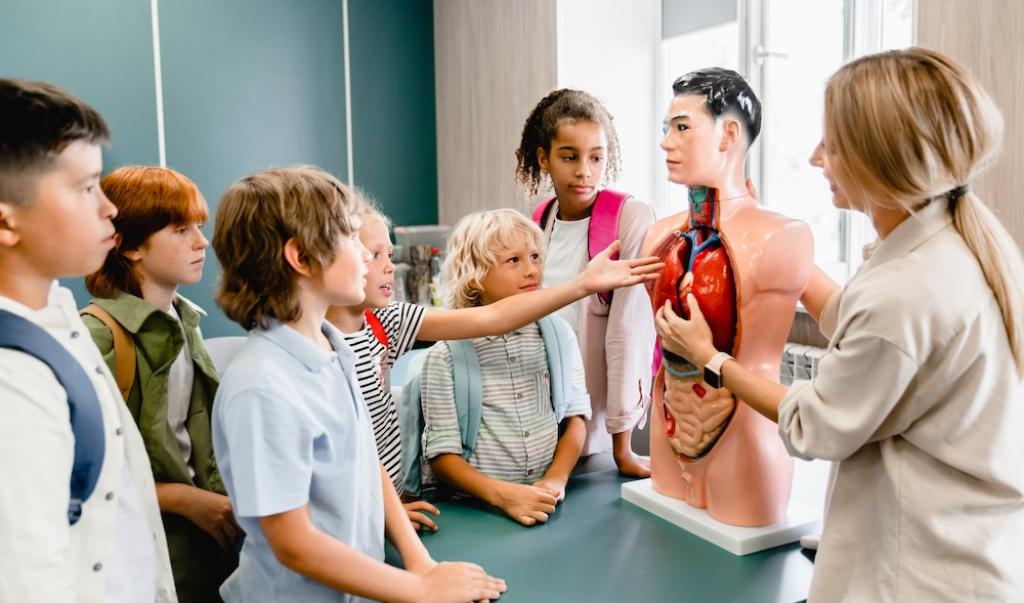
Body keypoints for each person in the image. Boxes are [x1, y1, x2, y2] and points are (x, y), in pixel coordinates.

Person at [655, 48, 1024, 600]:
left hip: (919, 572)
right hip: (944, 537)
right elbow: (855, 319)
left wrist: (710, 358)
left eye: (832, 143)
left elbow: (816, 425)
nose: (814, 158)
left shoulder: (906, 289)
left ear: (880, 155)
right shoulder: (941, 252)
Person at [210, 165, 506, 602]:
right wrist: (419, 590)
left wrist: (420, 562)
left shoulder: (336, 349)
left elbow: (368, 461)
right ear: (301, 258)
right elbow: (293, 543)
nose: (367, 257)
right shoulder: (261, 386)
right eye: (351, 238)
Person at [325, 198, 663, 531]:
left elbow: (493, 318)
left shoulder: (389, 321)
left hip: (385, 506)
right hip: (356, 514)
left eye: (389, 253)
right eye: (373, 255)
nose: (389, 265)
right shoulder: (322, 351)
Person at [0, 79, 175, 601]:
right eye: (85, 188)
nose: (110, 209)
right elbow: (31, 582)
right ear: (6, 222)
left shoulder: (55, 317)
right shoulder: (13, 381)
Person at [642, 68, 814, 526]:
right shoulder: (658, 236)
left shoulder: (780, 236)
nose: (665, 143)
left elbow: (847, 316)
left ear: (728, 134)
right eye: (666, 129)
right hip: (668, 424)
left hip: (743, 435)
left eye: (681, 127)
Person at [82, 166, 239, 601]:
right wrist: (185, 500)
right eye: (181, 229)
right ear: (130, 245)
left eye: (200, 228)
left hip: (209, 547)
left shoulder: (185, 322)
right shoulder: (97, 338)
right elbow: (85, 477)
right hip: (154, 556)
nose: (201, 242)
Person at [418, 209, 592, 526]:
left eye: (536, 256)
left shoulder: (559, 334)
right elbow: (442, 457)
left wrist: (555, 479)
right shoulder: (445, 355)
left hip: (547, 505)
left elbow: (575, 418)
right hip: (477, 512)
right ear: (475, 274)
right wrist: (504, 496)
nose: (532, 270)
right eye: (514, 260)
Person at [515, 88, 656, 477]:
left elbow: (628, 332)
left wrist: (622, 449)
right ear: (543, 157)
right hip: (546, 421)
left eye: (596, 157)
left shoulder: (630, 218)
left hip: (599, 434)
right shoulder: (539, 218)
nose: (584, 171)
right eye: (569, 157)